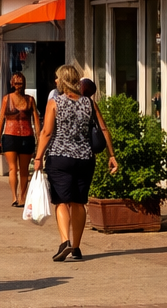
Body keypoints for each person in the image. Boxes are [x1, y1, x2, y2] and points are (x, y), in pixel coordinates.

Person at [34, 64, 118, 262]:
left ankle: (65, 241)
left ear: (62, 80)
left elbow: (46, 132)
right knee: (79, 201)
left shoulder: (55, 102)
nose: (55, 81)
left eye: (57, 78)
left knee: (62, 201)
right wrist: (111, 155)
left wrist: (38, 157)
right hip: (85, 159)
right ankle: (77, 247)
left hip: (59, 158)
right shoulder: (89, 103)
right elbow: (104, 129)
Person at [0, 72, 39, 209]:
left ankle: (22, 196)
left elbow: (36, 121)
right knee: (13, 168)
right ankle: (14, 196)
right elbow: (1, 119)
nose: (19, 86)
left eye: (21, 83)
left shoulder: (30, 100)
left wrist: (39, 139)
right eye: (17, 83)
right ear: (12, 84)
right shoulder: (7, 99)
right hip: (10, 135)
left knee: (24, 170)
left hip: (26, 136)